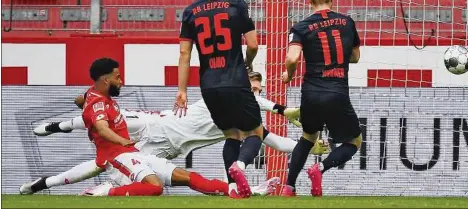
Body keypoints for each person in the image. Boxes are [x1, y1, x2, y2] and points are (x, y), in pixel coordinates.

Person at [22, 72, 327, 196]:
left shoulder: (243, 122)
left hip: (163, 150)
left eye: (258, 85)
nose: (255, 89)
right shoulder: (228, 97)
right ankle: (56, 126)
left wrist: (308, 147)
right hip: (158, 125)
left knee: (104, 165)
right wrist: (283, 109)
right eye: (253, 83)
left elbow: (272, 139)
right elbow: (259, 103)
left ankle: (41, 185)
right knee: (111, 119)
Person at [176, 0, 263, 198]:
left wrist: (182, 91)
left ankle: (233, 188)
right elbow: (254, 44)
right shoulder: (237, 5)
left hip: (209, 85)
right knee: (254, 133)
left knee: (231, 134)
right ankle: (240, 166)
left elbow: (184, 55)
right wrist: (246, 63)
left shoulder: (190, 11)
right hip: (235, 79)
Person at [78, 58, 231, 196]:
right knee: (155, 187)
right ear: (105, 80)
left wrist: (84, 100)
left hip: (135, 153)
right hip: (117, 158)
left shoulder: (96, 95)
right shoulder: (97, 104)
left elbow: (81, 101)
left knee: (189, 177)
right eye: (117, 77)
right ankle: (106, 191)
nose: (121, 81)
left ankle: (234, 189)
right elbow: (102, 129)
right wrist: (122, 140)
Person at [279, 0, 363, 197]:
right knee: (354, 141)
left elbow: (293, 56)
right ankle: (320, 168)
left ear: (309, 0)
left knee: (308, 137)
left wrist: (289, 74)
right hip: (336, 91)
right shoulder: (347, 22)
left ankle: (288, 187)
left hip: (311, 92)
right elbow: (355, 57)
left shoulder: (301, 27)